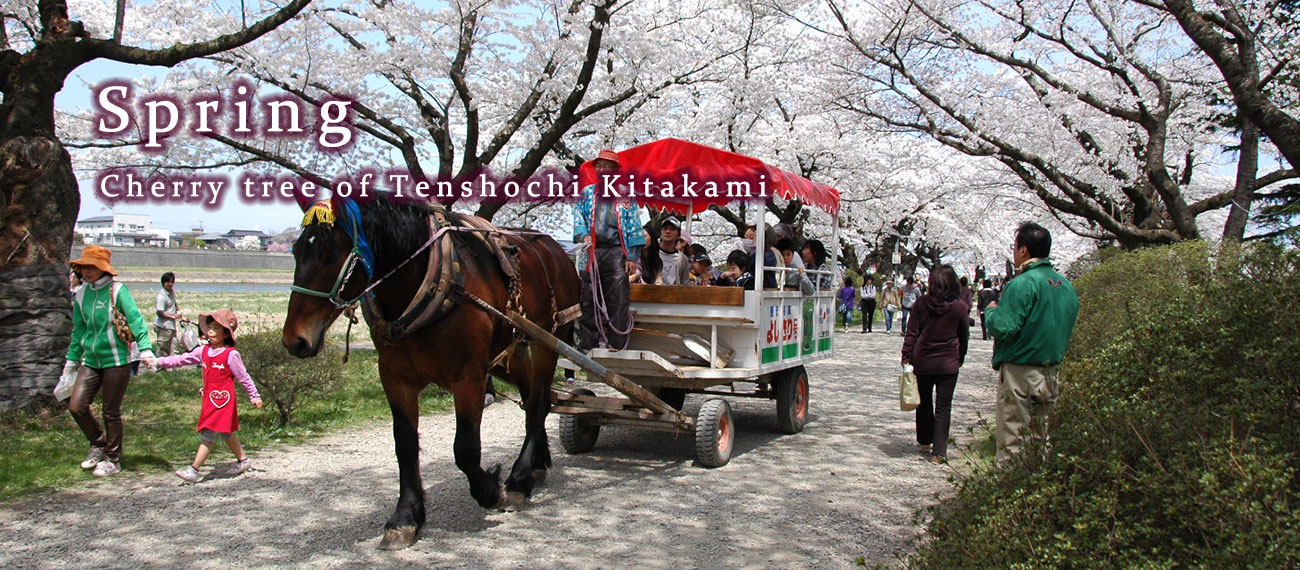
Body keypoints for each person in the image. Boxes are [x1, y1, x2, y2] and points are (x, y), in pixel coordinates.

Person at [985, 222, 1080, 465]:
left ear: (1024, 250)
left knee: (1013, 439)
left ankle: (1007, 494)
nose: (1014, 253)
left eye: (1015, 248)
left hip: (1020, 371)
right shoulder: (1066, 286)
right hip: (1050, 372)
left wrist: (991, 312)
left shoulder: (1023, 283)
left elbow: (1003, 326)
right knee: (1040, 438)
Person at [61, 245, 156, 477]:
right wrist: (71, 362)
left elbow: (136, 321)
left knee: (110, 411)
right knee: (76, 406)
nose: (87, 271)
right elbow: (79, 330)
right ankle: (98, 443)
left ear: (104, 269)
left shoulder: (118, 290)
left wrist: (146, 349)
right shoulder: (81, 294)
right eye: (84, 266)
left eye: (92, 266)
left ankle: (113, 459)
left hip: (117, 361)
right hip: (91, 360)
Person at [155, 310, 264, 483]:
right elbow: (183, 359)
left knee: (208, 434)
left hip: (224, 402)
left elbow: (244, 377)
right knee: (226, 433)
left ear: (226, 333)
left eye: (215, 328)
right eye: (209, 328)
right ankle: (243, 460)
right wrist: (160, 361)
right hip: (209, 400)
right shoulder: (203, 352)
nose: (210, 332)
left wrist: (254, 396)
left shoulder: (231, 355)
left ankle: (194, 470)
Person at [573, 149, 646, 351]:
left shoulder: (626, 195)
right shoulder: (586, 194)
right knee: (588, 297)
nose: (603, 170)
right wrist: (583, 235)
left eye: (607, 167)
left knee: (618, 298)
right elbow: (579, 219)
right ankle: (588, 342)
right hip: (591, 251)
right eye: (600, 166)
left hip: (616, 251)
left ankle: (616, 342)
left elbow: (634, 226)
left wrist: (632, 256)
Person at [901, 265, 970, 465]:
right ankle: (939, 452)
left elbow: (912, 332)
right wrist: (960, 357)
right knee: (943, 407)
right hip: (948, 363)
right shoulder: (959, 307)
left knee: (924, 403)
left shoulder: (921, 304)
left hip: (923, 361)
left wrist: (906, 356)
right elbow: (963, 337)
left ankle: (924, 441)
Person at [640, 216, 691, 285]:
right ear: (661, 231)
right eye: (665, 228)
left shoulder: (682, 259)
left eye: (672, 229)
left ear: (678, 235)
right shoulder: (651, 251)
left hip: (672, 294)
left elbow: (685, 283)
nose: (667, 231)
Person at [154, 272, 184, 357]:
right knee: (162, 349)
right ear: (163, 283)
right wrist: (173, 316)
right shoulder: (161, 296)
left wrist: (181, 316)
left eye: (172, 282)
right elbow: (160, 313)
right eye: (168, 282)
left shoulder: (171, 292)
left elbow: (174, 304)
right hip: (163, 326)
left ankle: (174, 367)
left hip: (171, 326)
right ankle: (159, 368)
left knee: (173, 347)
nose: (170, 284)